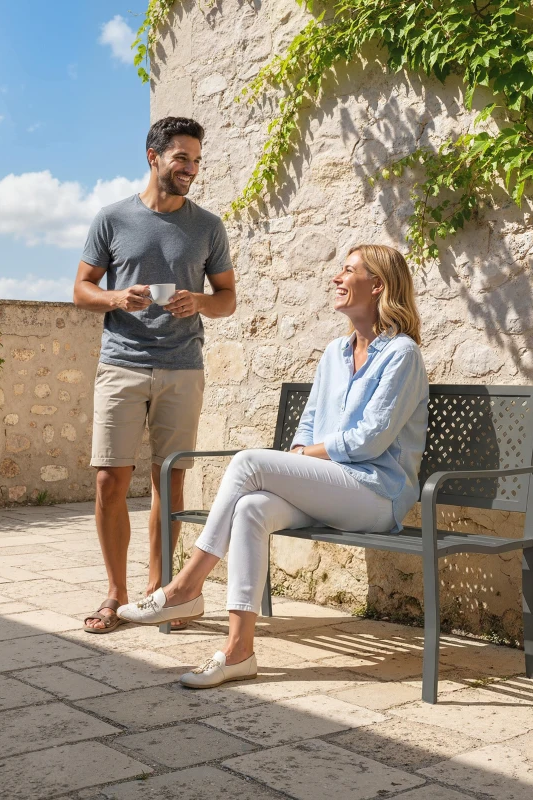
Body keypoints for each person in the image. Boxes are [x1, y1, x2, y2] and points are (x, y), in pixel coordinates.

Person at [118, 244, 428, 687]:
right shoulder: (335, 353)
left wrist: (302, 457)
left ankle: (185, 587)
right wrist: (301, 449)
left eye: (348, 271)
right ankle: (239, 649)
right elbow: (309, 421)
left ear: (377, 285)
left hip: (377, 495)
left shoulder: (402, 354)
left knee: (248, 463)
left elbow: (370, 439)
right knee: (252, 509)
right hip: (334, 488)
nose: (336, 279)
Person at [73, 117, 236, 634]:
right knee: (108, 480)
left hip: (182, 367)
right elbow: (81, 289)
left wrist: (201, 303)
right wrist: (117, 297)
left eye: (195, 160)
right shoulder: (112, 218)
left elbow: (228, 298)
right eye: (181, 158)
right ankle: (115, 595)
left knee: (170, 479)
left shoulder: (208, 226)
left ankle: (160, 591)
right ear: (153, 156)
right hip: (121, 361)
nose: (190, 169)